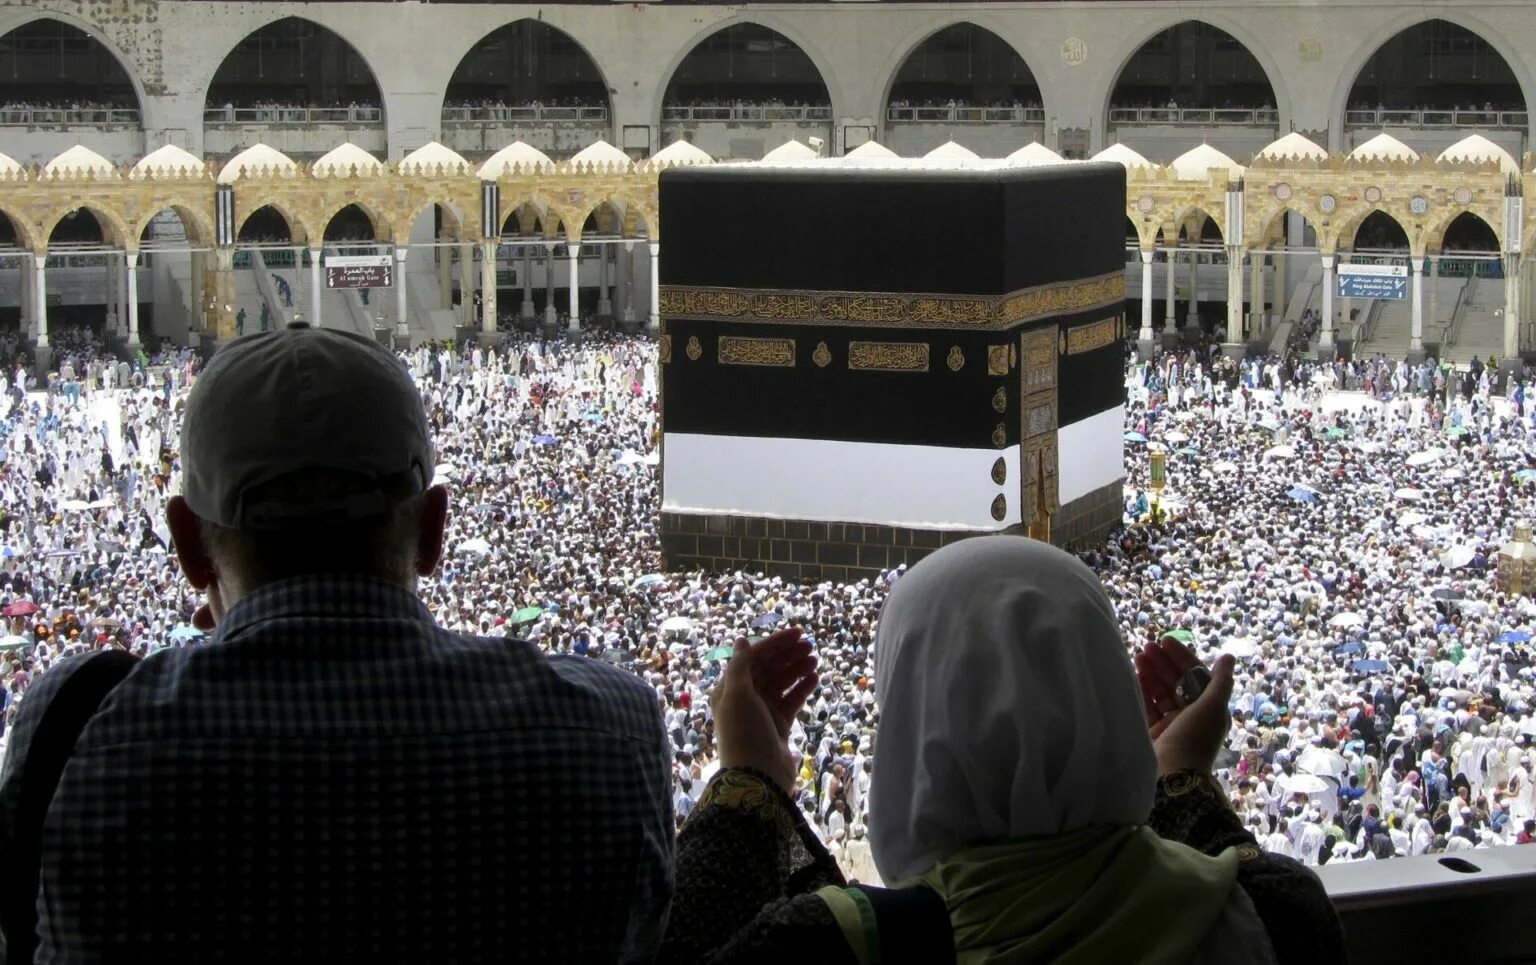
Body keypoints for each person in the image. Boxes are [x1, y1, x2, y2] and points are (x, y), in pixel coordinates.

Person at [0, 324, 674, 962]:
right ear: (434, 530)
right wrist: (747, 789)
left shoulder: (84, 736)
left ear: (186, 544)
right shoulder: (610, 729)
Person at [661, 537, 1344, 963]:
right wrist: (1181, 778)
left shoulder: (826, 944)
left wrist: (748, 777)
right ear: (1104, 690)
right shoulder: (1277, 912)